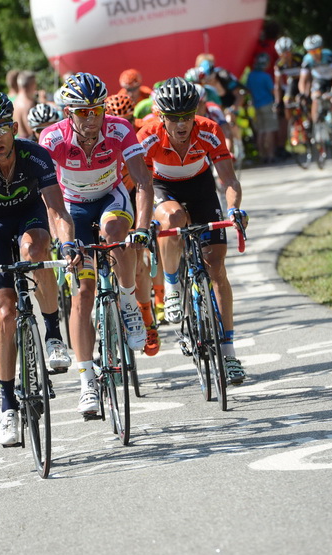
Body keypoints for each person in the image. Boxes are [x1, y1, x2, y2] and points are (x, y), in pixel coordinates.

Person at [0, 91, 78, 446]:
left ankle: (53, 334)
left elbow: (57, 210)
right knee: (4, 312)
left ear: (13, 127)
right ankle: (8, 405)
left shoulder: (34, 154)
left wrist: (67, 243)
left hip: (29, 215)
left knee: (35, 249)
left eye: (0, 129)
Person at [39, 72, 154, 414]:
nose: (92, 118)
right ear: (68, 113)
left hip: (110, 198)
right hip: (71, 208)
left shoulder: (119, 128)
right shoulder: (52, 138)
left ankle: (129, 302)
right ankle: (87, 381)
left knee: (118, 233)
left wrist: (142, 228)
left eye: (97, 110)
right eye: (83, 112)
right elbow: (49, 200)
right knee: (83, 295)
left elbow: (143, 181)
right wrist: (63, 242)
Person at [136, 77, 248, 386]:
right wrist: (143, 223)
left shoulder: (209, 130)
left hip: (201, 188)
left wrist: (234, 209)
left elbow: (228, 180)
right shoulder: (147, 136)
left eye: (187, 115)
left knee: (217, 268)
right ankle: (172, 286)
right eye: (174, 117)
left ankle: (229, 353)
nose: (182, 124)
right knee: (174, 218)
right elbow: (141, 185)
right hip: (163, 188)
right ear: (162, 116)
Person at [104, 92, 162, 349]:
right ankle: (105, 309)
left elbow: (148, 176)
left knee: (138, 261)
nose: (121, 123)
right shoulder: (99, 135)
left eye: (126, 118)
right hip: (105, 197)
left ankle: (147, 317)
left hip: (132, 194)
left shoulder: (137, 131)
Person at [299, 35, 332, 145]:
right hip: (320, 80)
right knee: (315, 99)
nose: (314, 54)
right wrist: (303, 94)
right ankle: (317, 127)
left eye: (317, 50)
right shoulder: (307, 60)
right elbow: (302, 81)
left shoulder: (329, 56)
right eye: (311, 51)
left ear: (322, 48)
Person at [246, 52, 277, 164]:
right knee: (269, 130)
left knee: (260, 131)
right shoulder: (266, 76)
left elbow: (248, 90)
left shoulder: (251, 75)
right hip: (267, 104)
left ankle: (262, 155)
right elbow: (273, 91)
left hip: (256, 106)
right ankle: (270, 155)